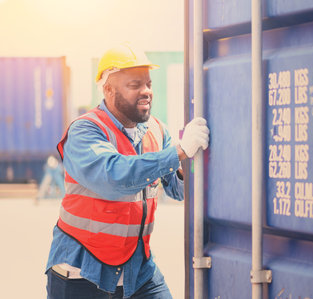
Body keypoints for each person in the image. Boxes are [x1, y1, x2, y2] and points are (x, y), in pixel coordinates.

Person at [45, 43, 209, 299]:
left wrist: (188, 167)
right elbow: (114, 177)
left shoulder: (157, 130)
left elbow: (177, 191)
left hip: (138, 270)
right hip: (82, 273)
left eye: (149, 84)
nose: (146, 92)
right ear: (108, 89)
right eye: (135, 85)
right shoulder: (85, 130)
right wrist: (178, 152)